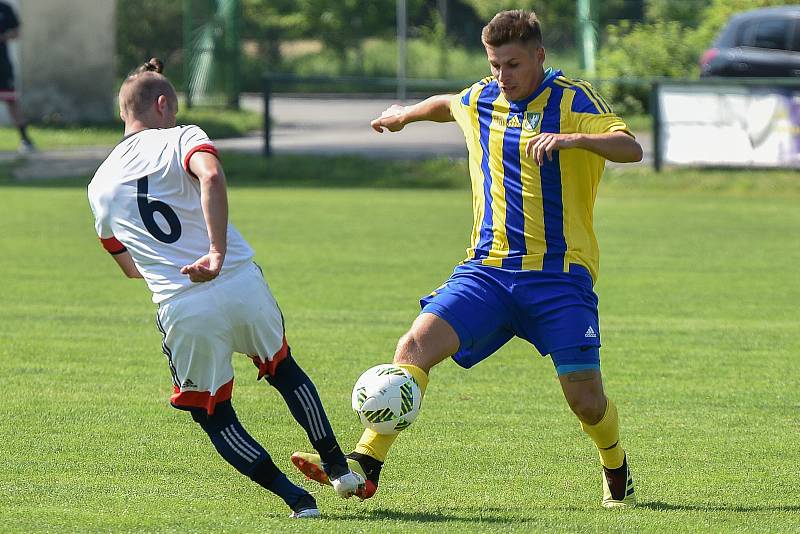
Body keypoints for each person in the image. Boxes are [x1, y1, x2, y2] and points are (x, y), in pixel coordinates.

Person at [291, 10, 643, 508]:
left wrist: (572, 140)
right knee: (414, 346)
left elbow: (629, 147)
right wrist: (404, 114)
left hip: (559, 276)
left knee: (586, 402)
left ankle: (615, 464)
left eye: (514, 64)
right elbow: (447, 104)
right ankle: (366, 465)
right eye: (496, 64)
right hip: (488, 271)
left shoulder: (574, 99)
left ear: (539, 56)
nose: (503, 76)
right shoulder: (483, 96)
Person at [87, 58, 364, 519]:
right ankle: (339, 468)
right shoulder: (183, 136)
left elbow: (129, 267)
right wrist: (215, 253)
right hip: (239, 281)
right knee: (284, 369)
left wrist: (169, 264)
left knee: (213, 415)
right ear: (162, 105)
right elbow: (211, 175)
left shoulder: (98, 184)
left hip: (182, 304)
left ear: (123, 113)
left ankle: (297, 500)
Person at [0, 1, 33, 152]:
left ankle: (25, 139)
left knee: (11, 100)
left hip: (2, 64)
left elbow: (16, 31)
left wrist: (4, 35)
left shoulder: (5, 8)